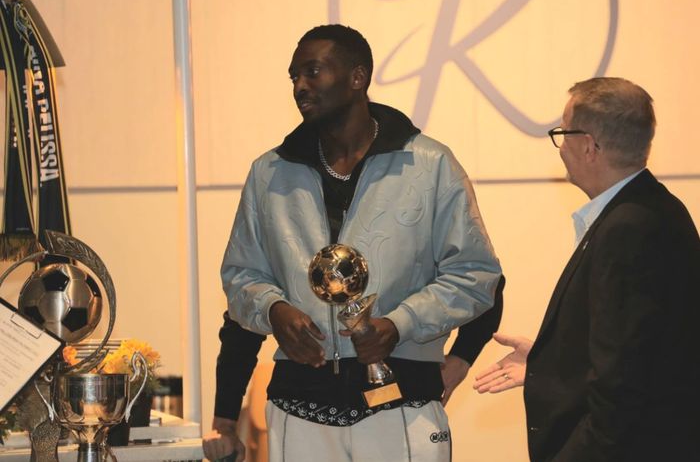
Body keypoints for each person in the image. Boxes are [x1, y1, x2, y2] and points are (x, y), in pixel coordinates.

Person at [217, 24, 501, 461]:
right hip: (298, 407)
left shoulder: (430, 164)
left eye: (313, 72)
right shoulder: (269, 173)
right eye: (294, 76)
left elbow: (475, 276)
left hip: (402, 404)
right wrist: (274, 310)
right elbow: (241, 275)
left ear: (357, 77)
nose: (300, 86)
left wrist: (400, 324)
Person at [474, 77, 700, 462]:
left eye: (562, 133)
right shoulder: (653, 210)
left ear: (588, 146)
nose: (560, 148)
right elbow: (638, 350)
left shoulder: (629, 228)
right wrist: (550, 364)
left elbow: (622, 389)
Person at [203, 275, 505, 461]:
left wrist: (462, 358)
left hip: (405, 408)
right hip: (302, 414)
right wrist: (225, 422)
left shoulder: (421, 197)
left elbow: (480, 279)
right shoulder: (283, 209)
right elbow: (244, 314)